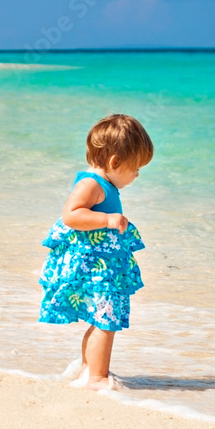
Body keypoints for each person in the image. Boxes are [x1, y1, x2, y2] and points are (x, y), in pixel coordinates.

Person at [38, 113, 154, 390]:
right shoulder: (91, 184)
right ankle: (97, 378)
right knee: (106, 319)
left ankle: (89, 370)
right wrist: (107, 219)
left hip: (102, 268)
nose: (137, 175)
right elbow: (71, 215)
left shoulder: (104, 184)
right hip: (95, 269)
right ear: (115, 162)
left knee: (102, 318)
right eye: (136, 168)